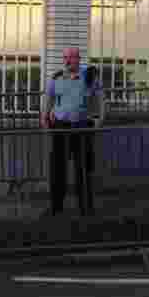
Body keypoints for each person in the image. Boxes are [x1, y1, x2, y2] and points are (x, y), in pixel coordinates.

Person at [42, 47, 105, 216]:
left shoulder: (89, 76)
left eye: (71, 57)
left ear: (78, 58)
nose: (67, 60)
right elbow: (49, 99)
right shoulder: (57, 78)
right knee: (58, 168)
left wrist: (100, 118)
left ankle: (85, 208)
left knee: (83, 169)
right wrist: (44, 117)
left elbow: (100, 98)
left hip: (81, 127)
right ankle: (56, 208)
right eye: (65, 58)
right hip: (61, 127)